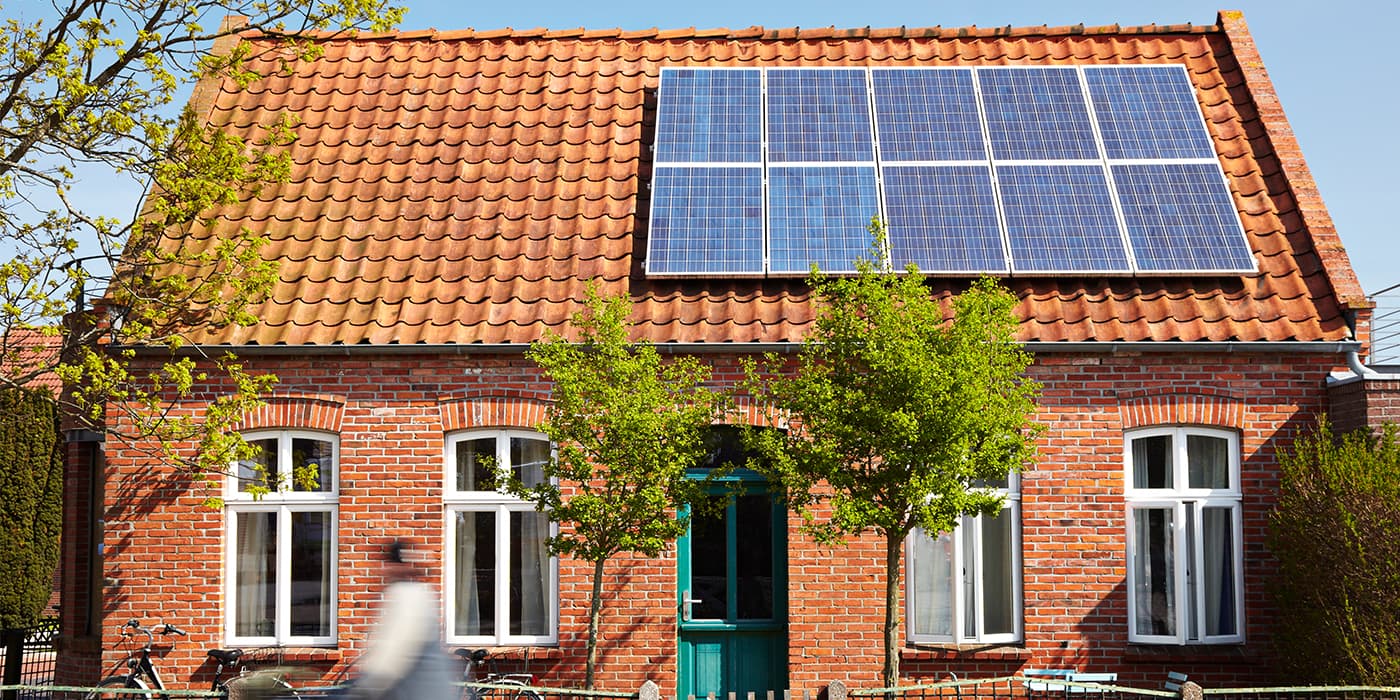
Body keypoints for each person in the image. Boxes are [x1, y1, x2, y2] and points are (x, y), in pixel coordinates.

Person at [351, 540, 458, 700]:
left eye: (387, 564)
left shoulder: (405, 596)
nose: (383, 570)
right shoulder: (421, 592)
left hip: (418, 692)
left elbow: (391, 653)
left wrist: (365, 688)